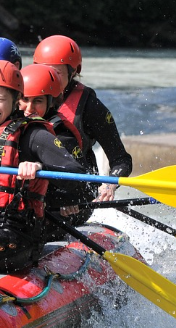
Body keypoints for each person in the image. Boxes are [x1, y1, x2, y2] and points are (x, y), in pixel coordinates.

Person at [0, 61, 87, 273]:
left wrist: (40, 169)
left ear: (16, 100)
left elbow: (79, 179)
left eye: (0, 99)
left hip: (18, 236)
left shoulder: (34, 135)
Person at [33, 35, 132, 203]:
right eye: (44, 72)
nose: (50, 80)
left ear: (73, 72)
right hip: (36, 186)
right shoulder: (24, 99)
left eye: (56, 73)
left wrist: (110, 185)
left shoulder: (90, 107)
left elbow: (121, 160)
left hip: (76, 193)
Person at [19, 64, 96, 225]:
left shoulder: (62, 136)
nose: (29, 108)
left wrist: (68, 199)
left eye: (38, 101)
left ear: (51, 102)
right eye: (24, 99)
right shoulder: (9, 125)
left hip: (58, 209)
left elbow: (86, 187)